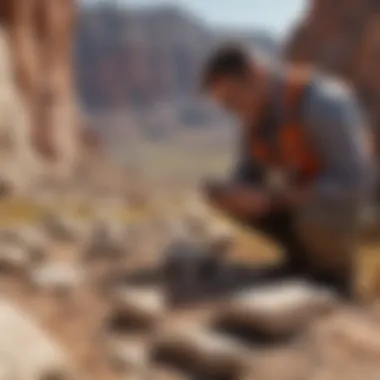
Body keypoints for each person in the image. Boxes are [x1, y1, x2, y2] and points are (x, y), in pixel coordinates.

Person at [200, 44, 375, 298]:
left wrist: (276, 198)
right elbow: (248, 172)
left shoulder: (323, 102)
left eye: (233, 97)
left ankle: (336, 278)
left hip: (360, 205)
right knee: (222, 194)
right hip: (304, 198)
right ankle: (302, 262)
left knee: (315, 213)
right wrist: (236, 192)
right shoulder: (253, 115)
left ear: (256, 75)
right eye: (225, 104)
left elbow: (356, 181)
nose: (232, 109)